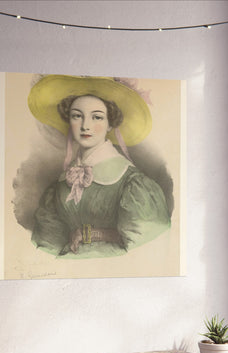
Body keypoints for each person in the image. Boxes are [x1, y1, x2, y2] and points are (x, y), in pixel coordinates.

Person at [27, 75, 171, 258]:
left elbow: (146, 243)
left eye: (97, 117)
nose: (86, 126)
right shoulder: (60, 185)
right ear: (68, 121)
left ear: (110, 123)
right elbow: (47, 246)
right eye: (77, 116)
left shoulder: (132, 183)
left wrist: (95, 234)